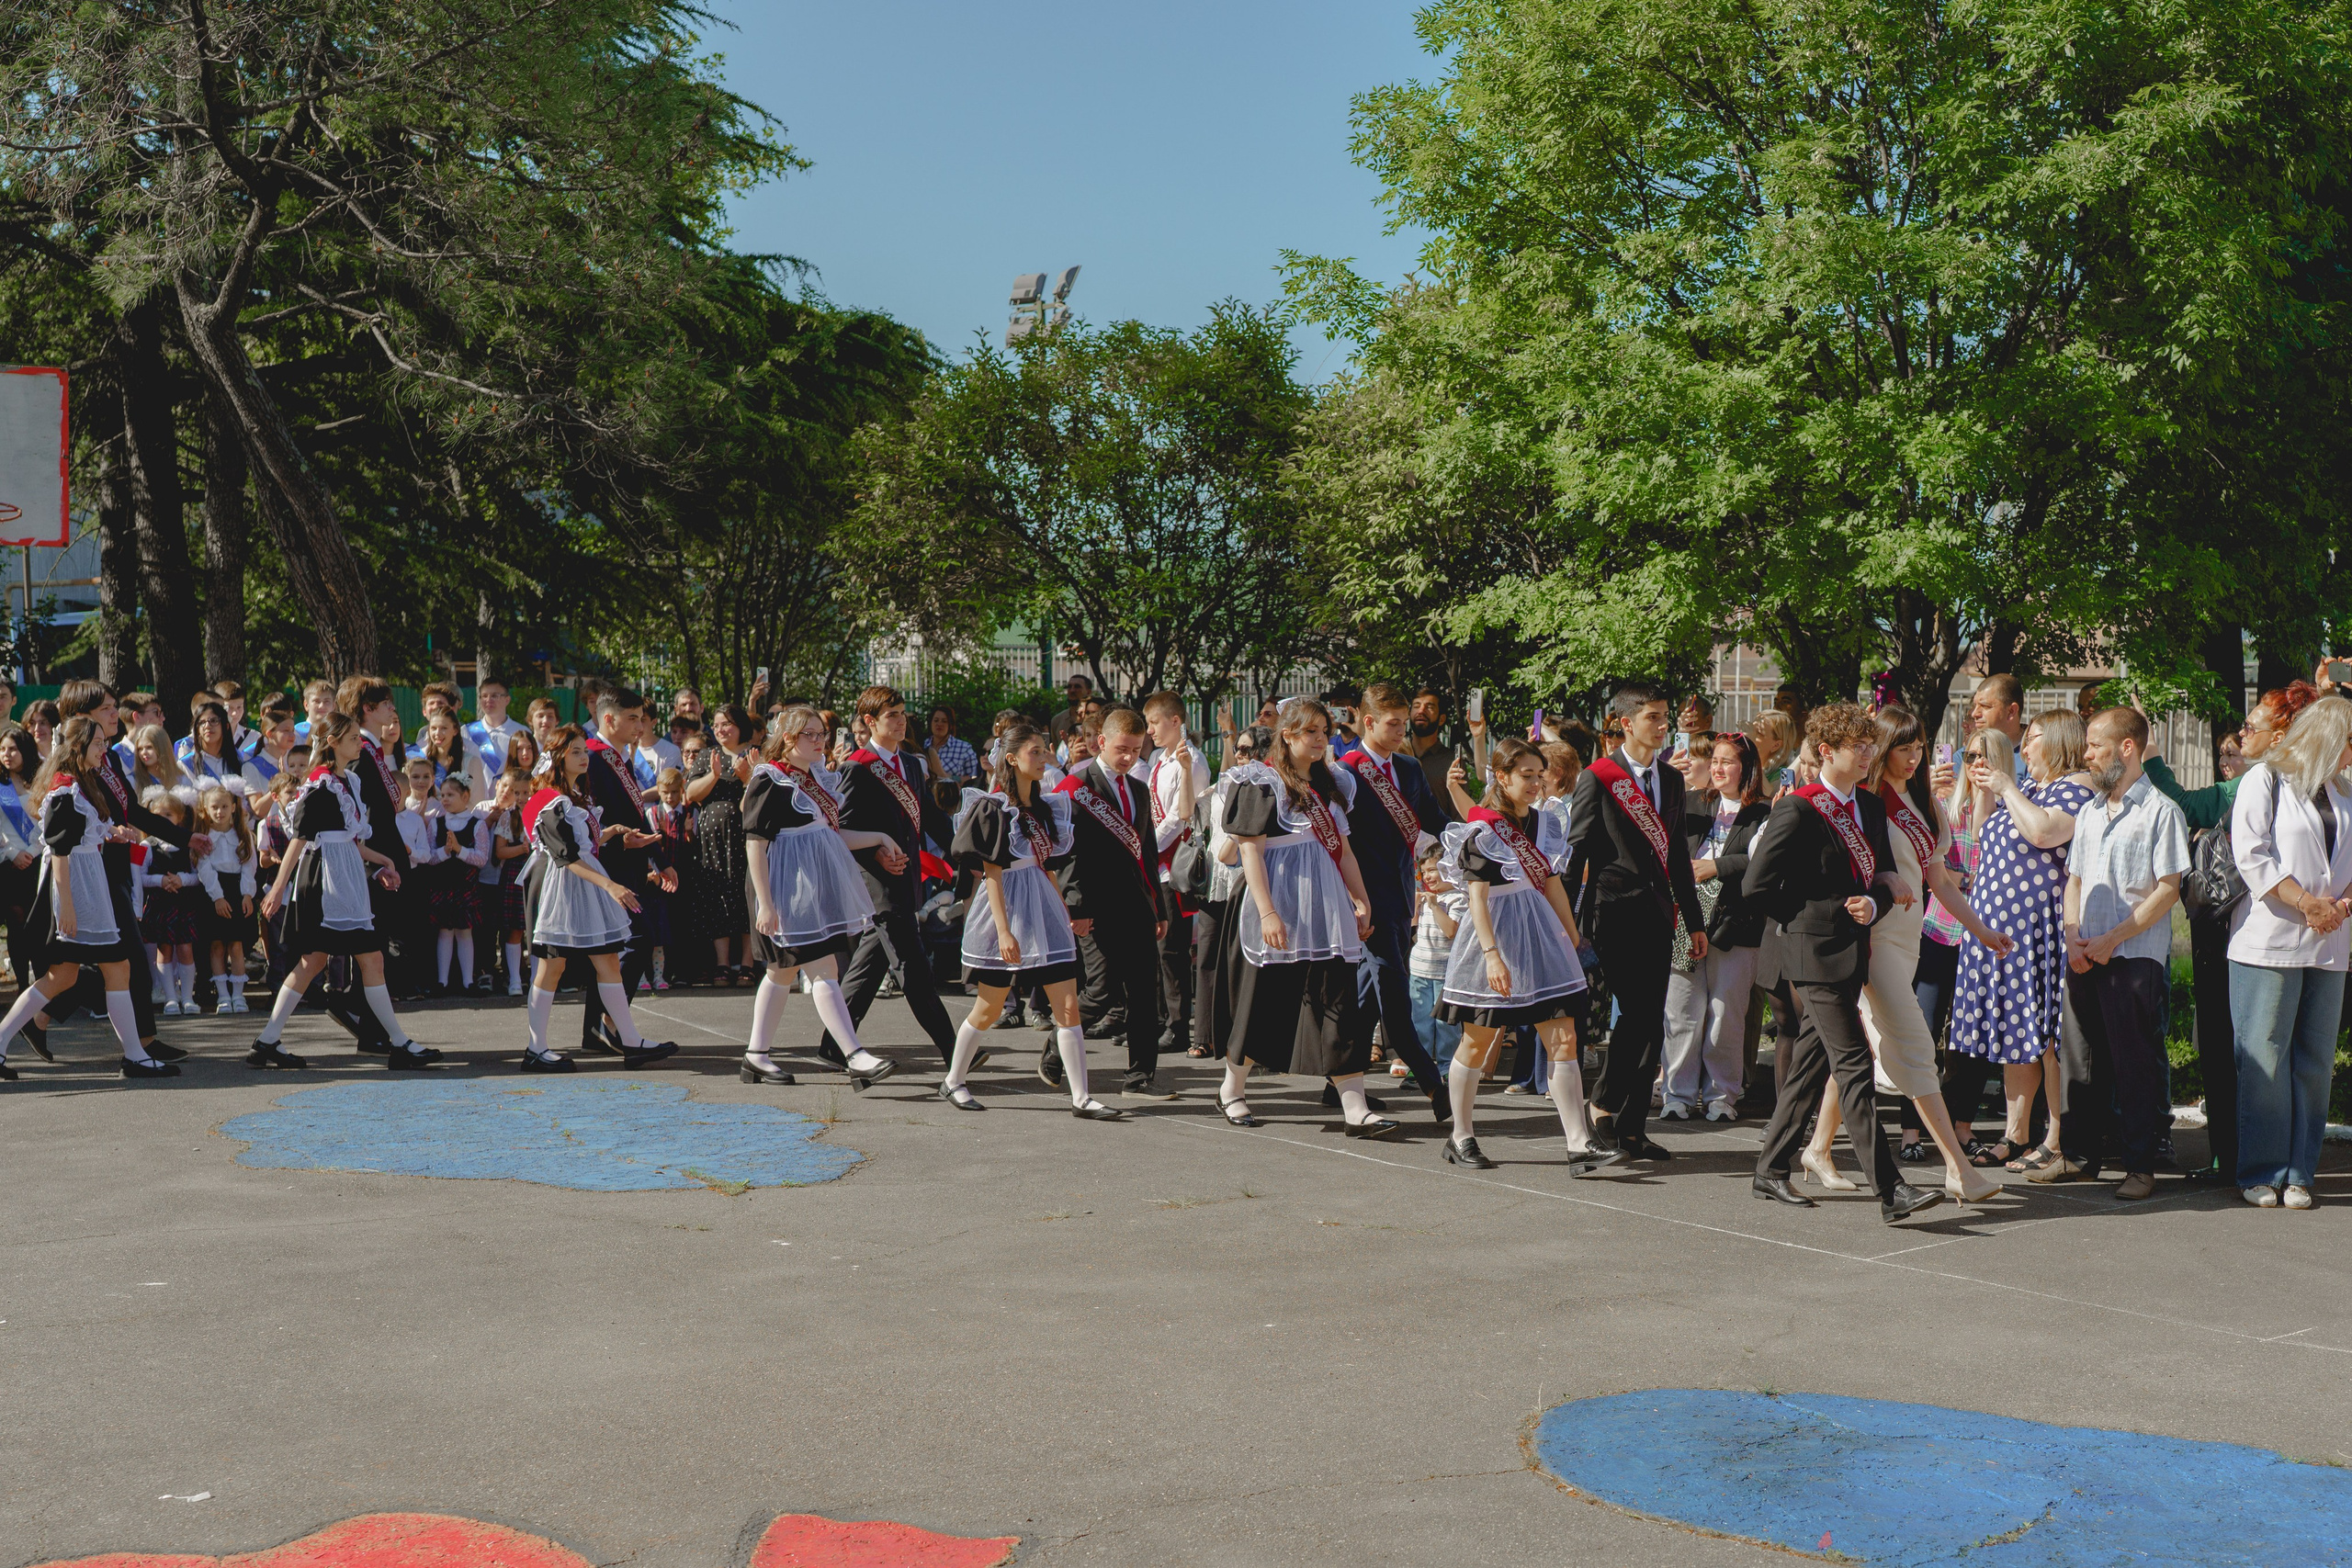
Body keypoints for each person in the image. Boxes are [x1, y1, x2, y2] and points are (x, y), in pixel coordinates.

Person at [1798, 707, 2009, 1204]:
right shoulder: (1868, 801)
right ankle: (1959, 1170)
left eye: (1920, 747)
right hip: (1873, 938)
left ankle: (1818, 1148)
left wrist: (1980, 929)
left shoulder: (1926, 804)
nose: (1913, 758)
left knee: (1858, 1049)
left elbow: (1939, 880)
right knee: (1914, 1042)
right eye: (1903, 748)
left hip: (1910, 938)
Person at [1745, 702, 1944, 1223]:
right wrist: (1829, 911)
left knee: (1809, 1069)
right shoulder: (1799, 808)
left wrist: (1875, 903)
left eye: (1869, 745)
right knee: (1854, 1064)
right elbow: (1757, 887)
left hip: (1854, 950)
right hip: (1811, 956)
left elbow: (1877, 875)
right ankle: (1891, 1189)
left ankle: (1769, 1169)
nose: (1868, 755)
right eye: (1858, 747)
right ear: (1826, 752)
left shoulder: (1871, 808)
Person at [2142, 681, 2318, 1184]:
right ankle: (2248, 1159)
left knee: (2251, 1049)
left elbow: (2185, 804)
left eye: (2246, 729)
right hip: (2260, 928)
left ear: (2282, 732)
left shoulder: (2262, 781)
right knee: (2257, 1048)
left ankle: (2248, 1161)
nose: (2237, 743)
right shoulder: (2265, 781)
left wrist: (2152, 752)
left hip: (2258, 933)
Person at [1435, 736, 1616, 1173]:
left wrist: (1572, 936)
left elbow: (1551, 882)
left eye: (1541, 775)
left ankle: (1578, 1143)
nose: (1537, 783)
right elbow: (1477, 898)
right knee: (1477, 1042)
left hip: (1539, 931)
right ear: (1502, 776)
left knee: (1564, 1037)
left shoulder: (1545, 823)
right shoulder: (1482, 829)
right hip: (1493, 936)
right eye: (1527, 776)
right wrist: (1492, 955)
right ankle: (1460, 1136)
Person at [1215, 698, 1389, 1136]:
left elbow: (1343, 851)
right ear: (1286, 735)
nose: (1319, 739)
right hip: (1277, 902)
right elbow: (1249, 851)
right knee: (1265, 1000)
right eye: (1310, 731)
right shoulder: (1260, 781)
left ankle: (1354, 1108)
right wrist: (1268, 911)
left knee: (1339, 1001)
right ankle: (1232, 1090)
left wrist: (1360, 898)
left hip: (1326, 906)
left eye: (1323, 730)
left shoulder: (1332, 784)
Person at [940, 723, 1127, 1119]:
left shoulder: (1044, 806)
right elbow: (991, 875)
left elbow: (1049, 869)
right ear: (1012, 758)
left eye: (1045, 751)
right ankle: (954, 1080)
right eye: (1035, 752)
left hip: (1043, 908)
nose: (1044, 758)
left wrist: (1063, 911)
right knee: (989, 1009)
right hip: (1004, 910)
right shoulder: (994, 807)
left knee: (1069, 1007)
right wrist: (1004, 930)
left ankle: (1081, 1097)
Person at [2048, 707, 2191, 1199]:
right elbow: (2076, 880)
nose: (2085, 754)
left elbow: (2168, 888)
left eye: (2094, 745)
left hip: (2133, 958)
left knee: (2134, 1064)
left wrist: (2112, 939)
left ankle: (2140, 1166)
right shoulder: (2089, 811)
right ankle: (2080, 1157)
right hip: (2084, 952)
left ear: (2126, 747)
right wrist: (2072, 935)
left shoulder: (2161, 812)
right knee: (2080, 1060)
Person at [1943, 713, 2097, 1172]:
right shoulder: (2029, 789)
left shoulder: (2075, 788)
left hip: (2038, 932)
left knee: (2043, 1036)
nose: (2024, 750)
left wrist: (2007, 786)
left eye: (2031, 741)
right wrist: (1988, 790)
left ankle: (2054, 1138)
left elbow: (2044, 833)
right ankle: (2015, 1133)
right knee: (2016, 1034)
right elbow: (1982, 836)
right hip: (1999, 932)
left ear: (2059, 742)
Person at [1566, 682, 1708, 1160]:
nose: (1664, 724)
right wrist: (1564, 920)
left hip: (1658, 914)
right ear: (1626, 723)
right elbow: (1577, 851)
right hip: (1613, 912)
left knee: (1652, 1023)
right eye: (1654, 716)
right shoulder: (1598, 776)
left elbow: (1677, 859)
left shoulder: (1670, 780)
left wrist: (1694, 921)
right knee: (1640, 1014)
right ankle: (1603, 1103)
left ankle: (1631, 1129)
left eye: (1666, 715)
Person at [2223, 694, 2352, 1210]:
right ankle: (2261, 1170)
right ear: (2329, 737)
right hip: (2269, 941)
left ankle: (2300, 1172)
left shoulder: (2344, 791)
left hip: (2330, 941)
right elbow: (2250, 852)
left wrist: (2340, 905)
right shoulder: (2266, 778)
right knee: (2265, 1059)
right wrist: (2306, 902)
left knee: (2315, 1062)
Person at [250, 713, 434, 1071]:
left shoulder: (347, 779)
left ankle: (268, 1040)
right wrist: (278, 889)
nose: (360, 744)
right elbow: (300, 839)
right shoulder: (320, 784)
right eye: (352, 738)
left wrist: (382, 862)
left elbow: (349, 839)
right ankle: (399, 1042)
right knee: (361, 958)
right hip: (325, 881)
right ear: (332, 742)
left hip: (345, 873)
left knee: (317, 961)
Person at [737, 706, 907, 1089]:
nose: (820, 741)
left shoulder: (817, 777)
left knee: (783, 972)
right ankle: (854, 1056)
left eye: (821, 734)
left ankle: (756, 1056)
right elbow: (755, 845)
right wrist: (765, 903)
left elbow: (830, 836)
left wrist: (878, 837)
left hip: (807, 888)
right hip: (783, 888)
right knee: (821, 969)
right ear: (790, 739)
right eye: (810, 735)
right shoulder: (771, 778)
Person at [0, 716, 170, 1078]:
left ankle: (135, 1055)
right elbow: (60, 853)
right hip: (77, 891)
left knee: (65, 976)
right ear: (78, 747)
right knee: (99, 970)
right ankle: (136, 1056)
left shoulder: (80, 783)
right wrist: (69, 910)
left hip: (86, 887)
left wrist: (112, 833)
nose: (103, 748)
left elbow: (82, 832)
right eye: (96, 744)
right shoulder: (66, 789)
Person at [516, 727, 678, 1074]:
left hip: (579, 882)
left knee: (606, 958)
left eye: (582, 750)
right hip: (556, 885)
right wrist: (610, 886)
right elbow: (565, 855)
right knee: (550, 967)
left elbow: (585, 843)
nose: (583, 756)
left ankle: (631, 1041)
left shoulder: (574, 797)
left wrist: (617, 833)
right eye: (575, 751)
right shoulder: (548, 801)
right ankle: (536, 1049)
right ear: (558, 758)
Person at [820, 685, 962, 1071]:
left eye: (902, 714)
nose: (901, 721)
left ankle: (834, 1045)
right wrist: (877, 851)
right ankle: (955, 1052)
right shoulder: (857, 767)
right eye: (891, 715)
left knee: (869, 964)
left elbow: (930, 817)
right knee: (913, 968)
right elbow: (842, 829)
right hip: (878, 883)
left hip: (908, 876)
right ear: (870, 722)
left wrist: (963, 853)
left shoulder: (914, 764)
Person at [1335, 682, 1452, 1122]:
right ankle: (1433, 1084)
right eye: (1394, 723)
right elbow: (1336, 841)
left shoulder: (1408, 766)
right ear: (1368, 721)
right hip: (1365, 900)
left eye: (1404, 722)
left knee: (1369, 995)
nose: (1403, 730)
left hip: (1402, 895)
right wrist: (1351, 898)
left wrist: (1471, 831)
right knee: (1393, 991)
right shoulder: (1346, 770)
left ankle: (1339, 1079)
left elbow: (1433, 821)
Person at [1052, 706, 1173, 1100]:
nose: (1129, 757)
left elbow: (1148, 853)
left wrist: (1159, 908)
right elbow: (1067, 855)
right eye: (1122, 748)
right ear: (1100, 742)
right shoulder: (1075, 786)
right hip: (1095, 907)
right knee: (1100, 991)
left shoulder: (1138, 788)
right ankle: (1056, 1048)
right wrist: (1077, 907)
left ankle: (1140, 1078)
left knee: (1144, 992)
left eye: (1137, 750)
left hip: (1136, 905)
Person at [1661, 732, 1772, 1122]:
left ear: (1748, 769)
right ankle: (1677, 1093)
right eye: (1715, 760)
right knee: (1681, 1009)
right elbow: (1664, 840)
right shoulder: (1691, 802)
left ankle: (1721, 1095)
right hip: (1685, 919)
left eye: (1728, 761)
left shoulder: (1764, 811)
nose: (1718, 767)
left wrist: (1717, 867)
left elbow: (1763, 860)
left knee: (1726, 1012)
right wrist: (1666, 779)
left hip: (1736, 924)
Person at [574, 690, 676, 1053]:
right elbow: (586, 819)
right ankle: (609, 1024)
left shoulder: (619, 757)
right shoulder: (591, 757)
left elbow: (634, 816)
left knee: (608, 950)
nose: (641, 725)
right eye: (632, 718)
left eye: (641, 718)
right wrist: (619, 844)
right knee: (637, 941)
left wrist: (660, 859)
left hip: (628, 864)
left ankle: (594, 1031)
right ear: (609, 719)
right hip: (607, 868)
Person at [1140, 693, 1209, 1060]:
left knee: (1174, 949)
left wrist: (1147, 847)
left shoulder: (1191, 761)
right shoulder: (1157, 757)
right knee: (1156, 947)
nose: (1149, 730)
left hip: (1174, 864)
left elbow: (1181, 816)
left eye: (1154, 722)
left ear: (1176, 721)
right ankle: (1161, 1018)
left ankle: (1179, 1025)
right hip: (1156, 863)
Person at [683, 703, 756, 984]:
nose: (721, 729)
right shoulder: (707, 755)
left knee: (746, 893)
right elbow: (691, 794)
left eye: (726, 723)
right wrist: (714, 775)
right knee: (717, 896)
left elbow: (760, 793)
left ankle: (747, 963)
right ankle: (723, 963)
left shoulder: (754, 754)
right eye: (716, 724)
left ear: (740, 725)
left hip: (746, 834)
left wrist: (746, 777)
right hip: (713, 839)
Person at [193, 784, 257, 1013]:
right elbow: (204, 868)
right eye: (214, 807)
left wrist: (247, 894)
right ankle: (223, 996)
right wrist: (217, 898)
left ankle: (238, 996)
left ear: (233, 807)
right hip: (213, 892)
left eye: (224, 806)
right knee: (217, 945)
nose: (219, 811)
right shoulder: (203, 838)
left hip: (237, 891)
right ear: (205, 810)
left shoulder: (243, 836)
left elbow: (249, 866)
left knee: (236, 945)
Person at [431, 773, 489, 993]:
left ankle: (468, 981)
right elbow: (430, 857)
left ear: (465, 796)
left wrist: (459, 850)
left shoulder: (477, 824)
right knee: (445, 931)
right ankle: (442, 982)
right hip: (443, 884)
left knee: (465, 931)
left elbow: (482, 858)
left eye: (451, 795)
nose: (445, 799)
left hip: (466, 886)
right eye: (442, 795)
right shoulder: (436, 824)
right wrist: (446, 851)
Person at [489, 767, 536, 996]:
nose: (521, 797)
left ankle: (538, 979)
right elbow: (499, 852)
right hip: (516, 873)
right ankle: (515, 979)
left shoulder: (542, 815)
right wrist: (521, 848)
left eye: (526, 792)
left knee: (537, 930)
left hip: (538, 872)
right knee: (515, 930)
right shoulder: (509, 816)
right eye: (517, 792)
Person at [464, 678, 528, 797]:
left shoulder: (521, 732)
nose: (488, 700)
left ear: (507, 700)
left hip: (510, 800)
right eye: (484, 696)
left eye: (494, 696)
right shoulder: (466, 732)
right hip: (474, 802)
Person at [1406, 689, 1459, 818]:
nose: (1421, 711)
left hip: (1438, 837)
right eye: (1417, 706)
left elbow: (1459, 815)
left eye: (1429, 707)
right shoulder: (1396, 754)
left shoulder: (1452, 762)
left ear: (1441, 719)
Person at [923, 704, 979, 788]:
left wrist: (953, 778)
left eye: (944, 721)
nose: (939, 724)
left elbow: (975, 776)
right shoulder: (922, 746)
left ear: (950, 725)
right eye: (936, 720)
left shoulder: (964, 748)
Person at [1049, 674, 1094, 743]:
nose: (1072, 690)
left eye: (1077, 687)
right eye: (1069, 687)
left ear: (1088, 692)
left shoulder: (1095, 718)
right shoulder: (1057, 721)